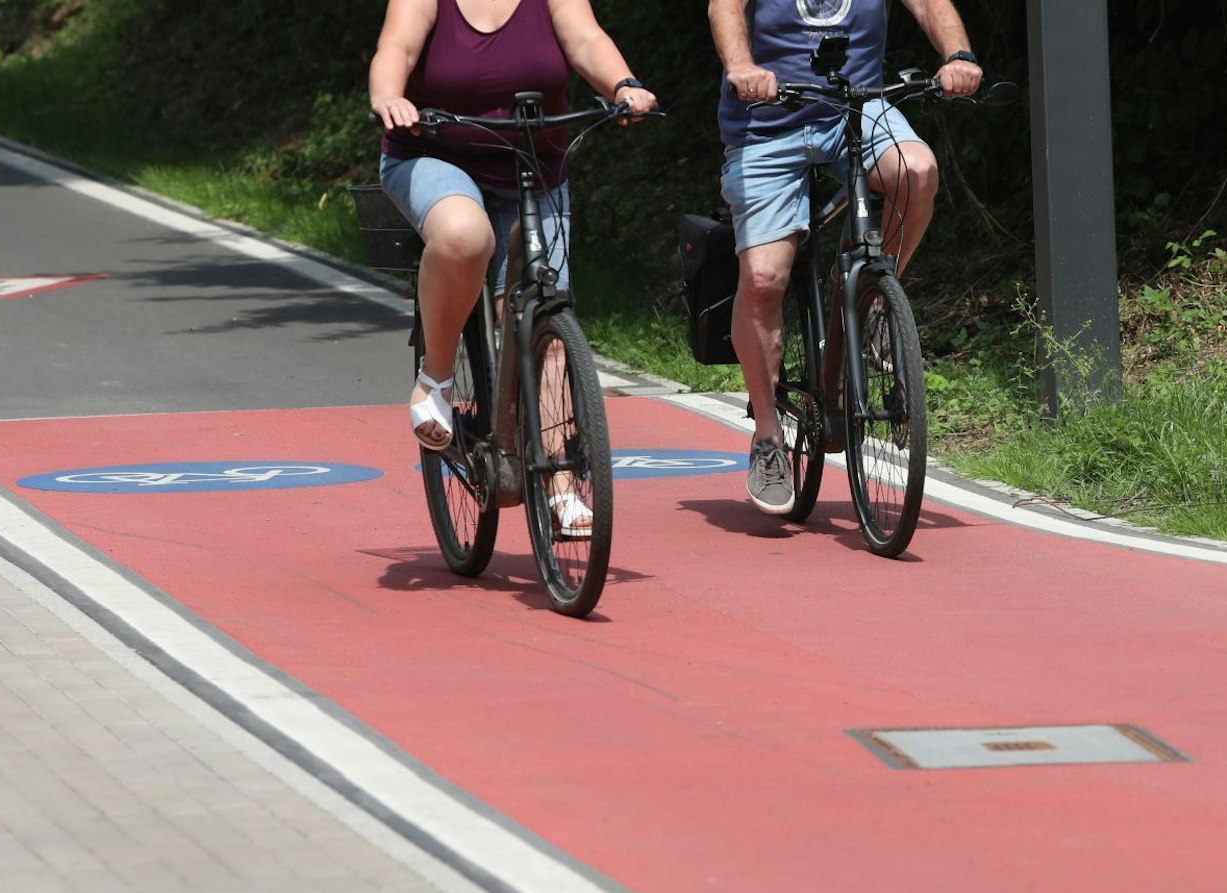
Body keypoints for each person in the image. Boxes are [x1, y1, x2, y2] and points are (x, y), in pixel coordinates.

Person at [369, 0, 655, 536]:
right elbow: (397, 47)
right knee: (464, 236)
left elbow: (586, 40)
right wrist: (389, 96)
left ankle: (561, 485)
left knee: (543, 322)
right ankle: (435, 379)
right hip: (434, 155)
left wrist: (623, 85)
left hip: (533, 165)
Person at [708, 0, 981, 514]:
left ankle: (874, 295)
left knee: (916, 170)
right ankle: (768, 436)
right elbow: (725, 6)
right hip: (766, 120)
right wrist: (742, 67)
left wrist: (958, 55)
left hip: (856, 109)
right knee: (763, 278)